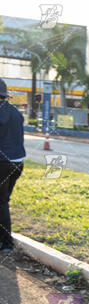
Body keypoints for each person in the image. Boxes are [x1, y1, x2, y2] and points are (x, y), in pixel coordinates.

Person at [0, 78, 25, 252]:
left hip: (3, 163)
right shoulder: (15, 112)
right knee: (3, 201)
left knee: (1, 203)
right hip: (18, 163)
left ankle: (7, 243)